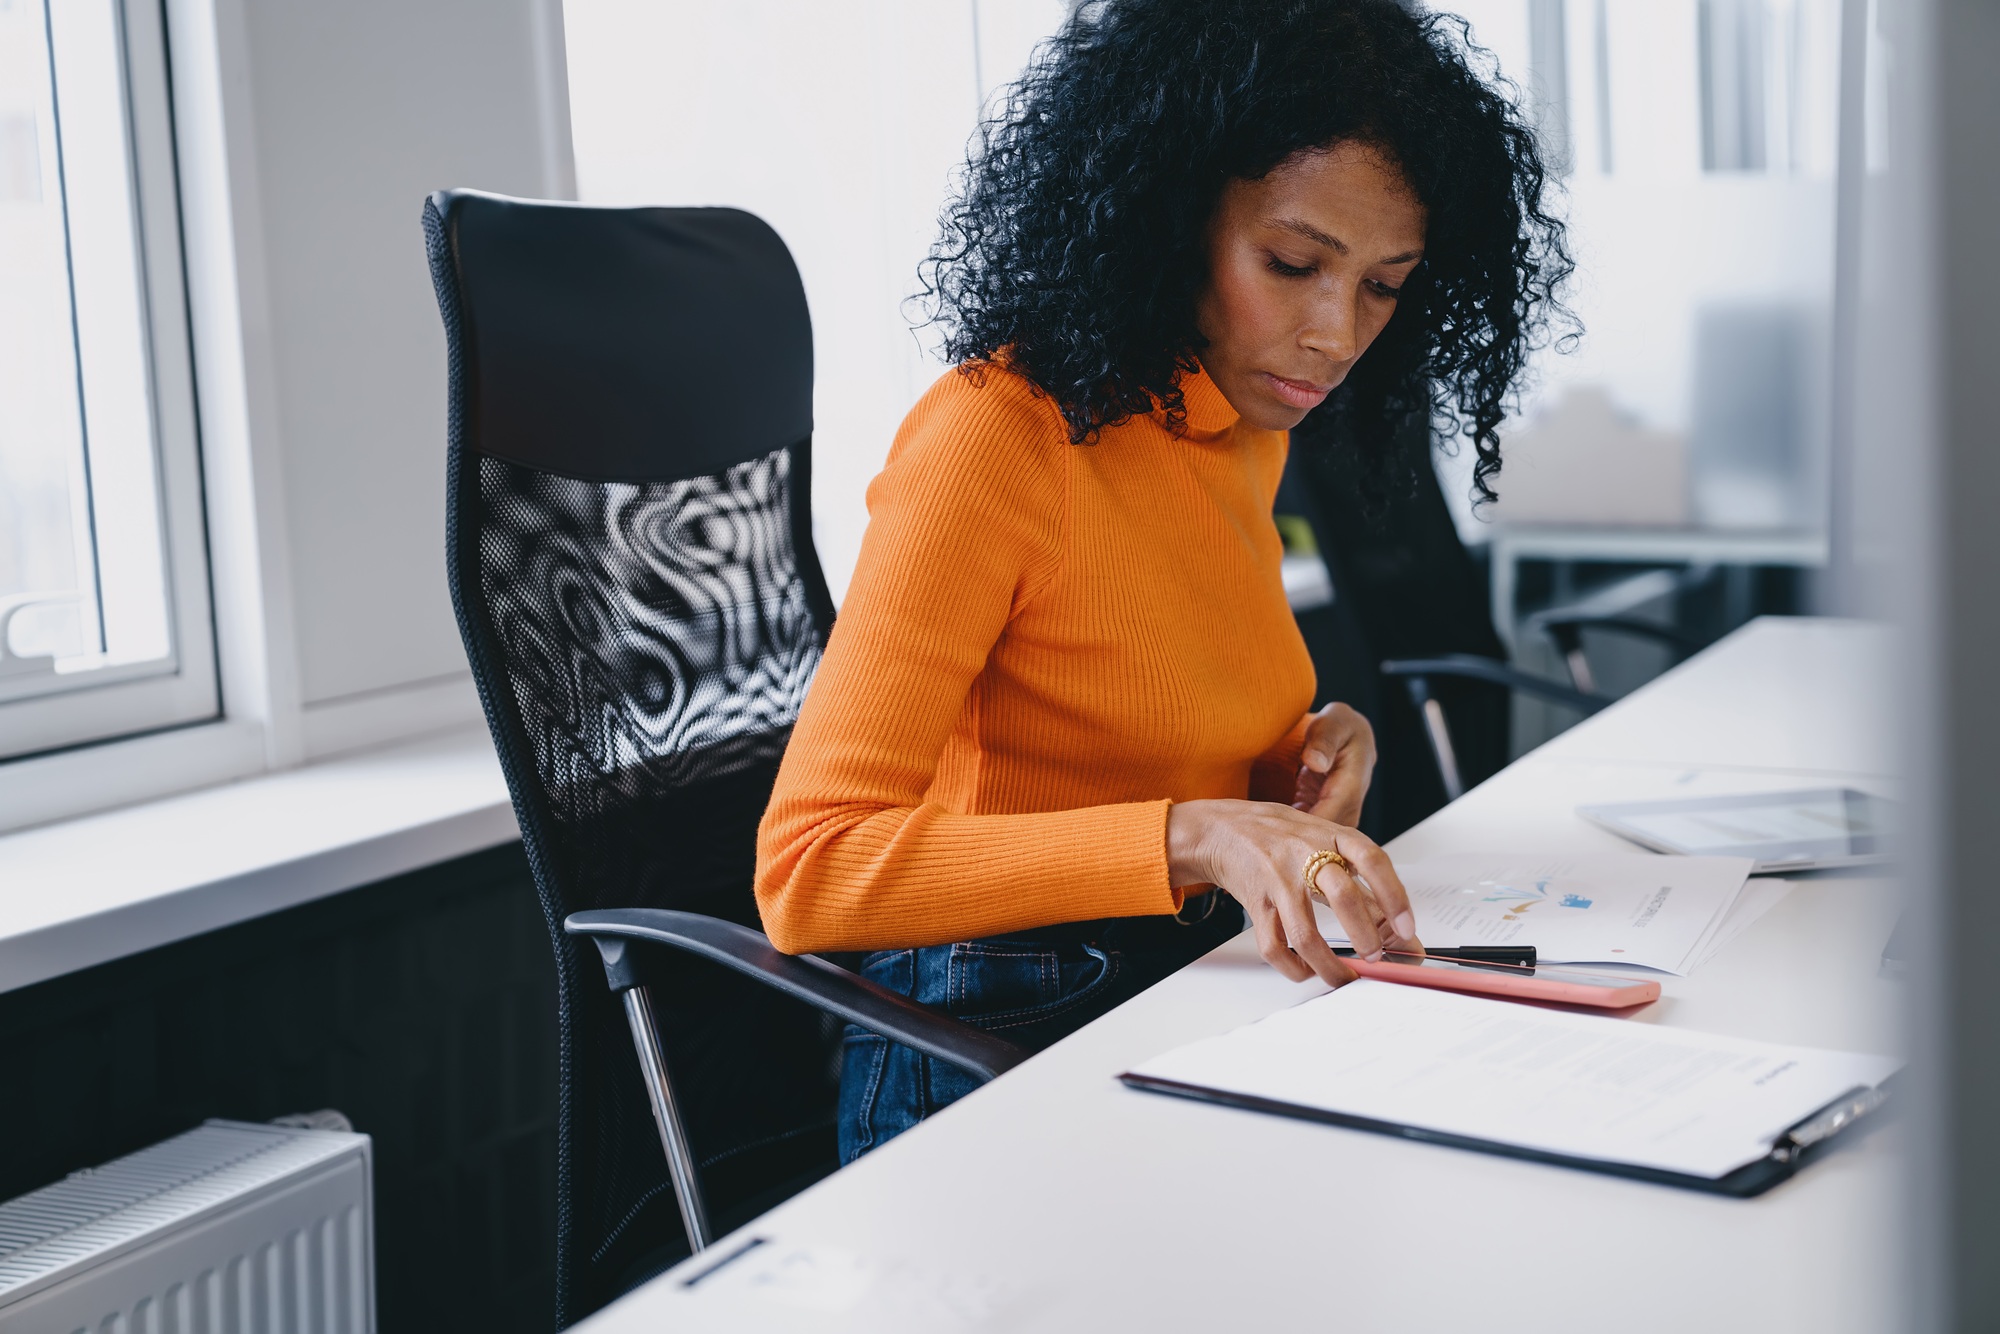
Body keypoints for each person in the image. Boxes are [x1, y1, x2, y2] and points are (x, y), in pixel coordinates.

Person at [756, 0, 1570, 1163]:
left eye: (1385, 285)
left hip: (1178, 989)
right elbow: (807, 868)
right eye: (1291, 263)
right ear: (1170, 213)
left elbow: (1138, 717)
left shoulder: (1241, 426)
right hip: (992, 1044)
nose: (1335, 333)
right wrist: (1197, 837)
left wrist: (1297, 764)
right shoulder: (997, 434)